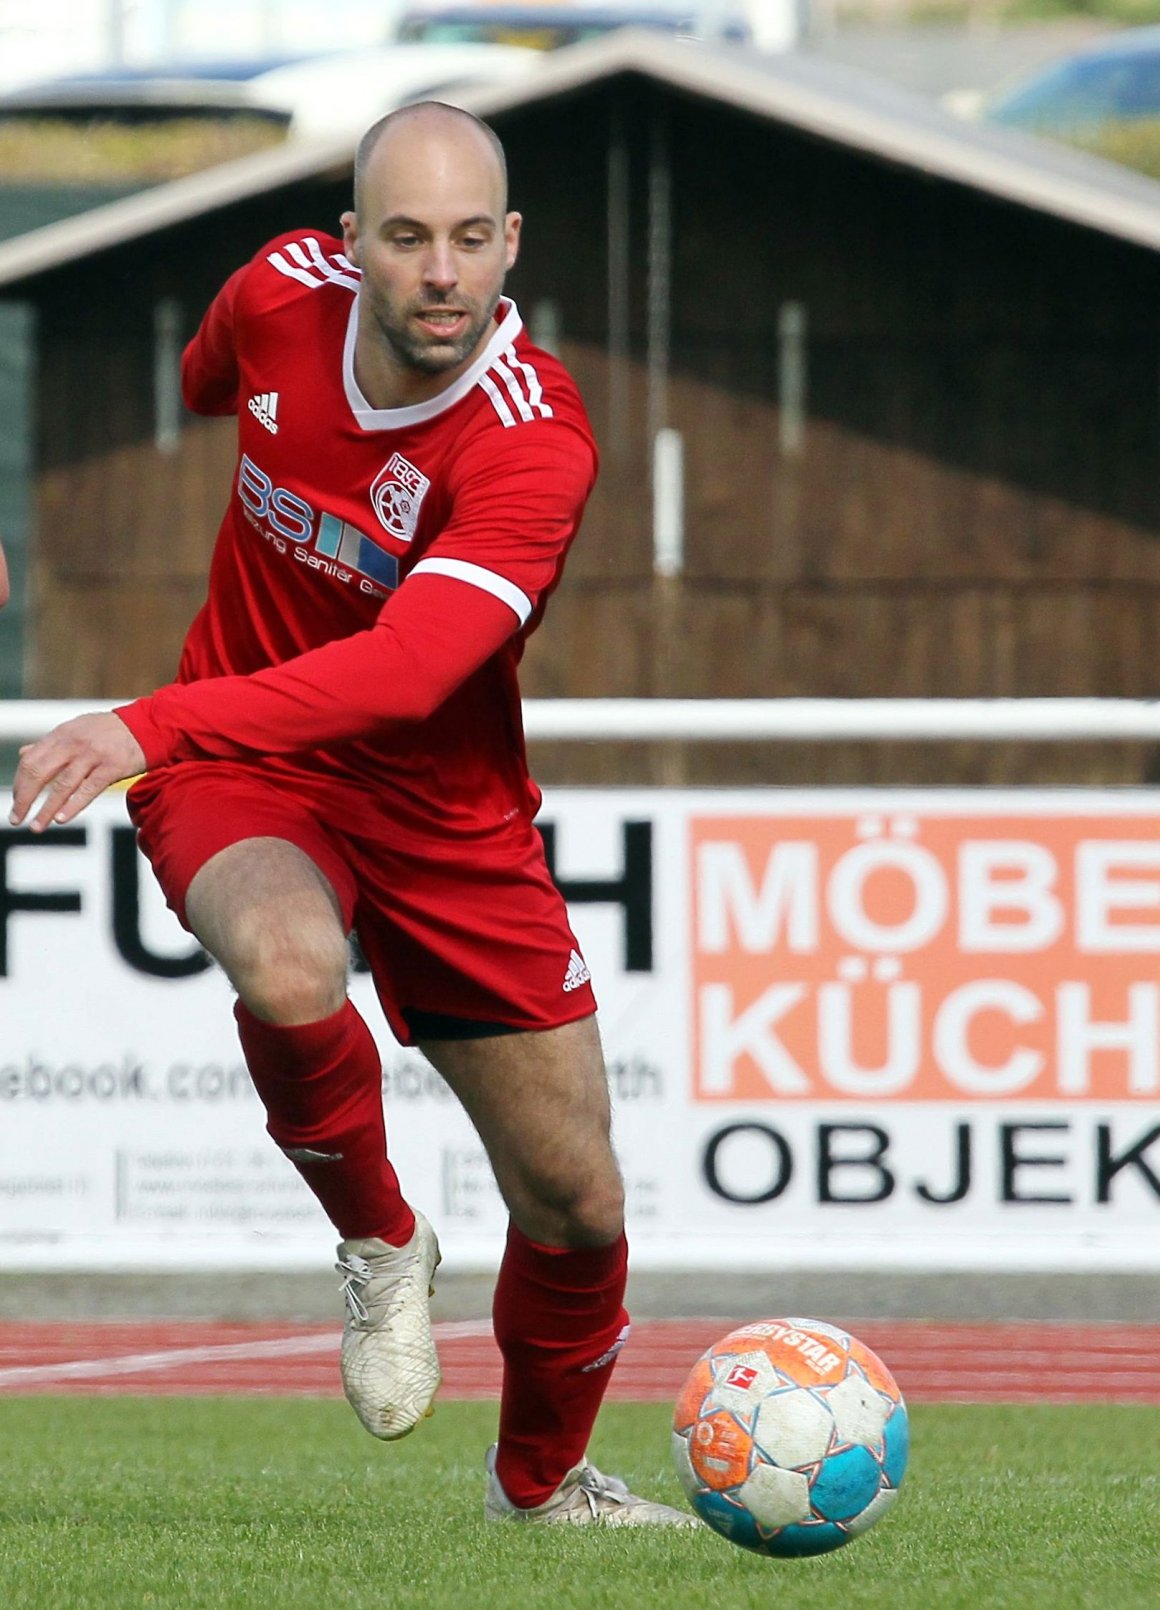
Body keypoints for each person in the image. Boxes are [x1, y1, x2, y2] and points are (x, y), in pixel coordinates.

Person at [10, 102, 694, 1527]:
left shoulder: (529, 442)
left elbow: (403, 675)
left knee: (578, 1204)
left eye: (467, 240)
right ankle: (384, 1245)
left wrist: (140, 724)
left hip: (445, 813)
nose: (440, 272)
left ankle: (543, 1488)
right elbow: (214, 377)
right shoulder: (272, 296)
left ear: (509, 247)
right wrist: (181, 731)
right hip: (246, 762)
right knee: (285, 958)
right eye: (405, 237)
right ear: (351, 247)